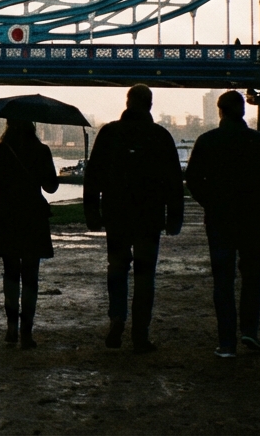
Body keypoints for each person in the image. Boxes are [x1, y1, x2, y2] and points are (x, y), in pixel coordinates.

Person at [185, 90, 260, 359]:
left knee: (223, 279)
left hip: (220, 218)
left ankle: (227, 342)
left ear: (220, 111)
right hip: (253, 217)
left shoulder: (207, 141)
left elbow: (193, 179)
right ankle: (250, 330)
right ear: (243, 111)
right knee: (252, 274)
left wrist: (210, 201)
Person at [84, 84, 184, 353]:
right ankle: (140, 333)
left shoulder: (109, 133)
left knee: (117, 267)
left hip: (116, 214)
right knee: (144, 274)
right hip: (149, 216)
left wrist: (92, 212)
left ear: (127, 103)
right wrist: (174, 218)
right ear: (150, 105)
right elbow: (174, 181)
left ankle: (117, 318)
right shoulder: (160, 136)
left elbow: (93, 175)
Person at [0, 118, 59, 348]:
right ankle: (27, 332)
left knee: (10, 273)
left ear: (9, 125)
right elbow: (51, 187)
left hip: (7, 216)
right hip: (33, 217)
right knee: (31, 276)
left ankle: (12, 325)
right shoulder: (41, 151)